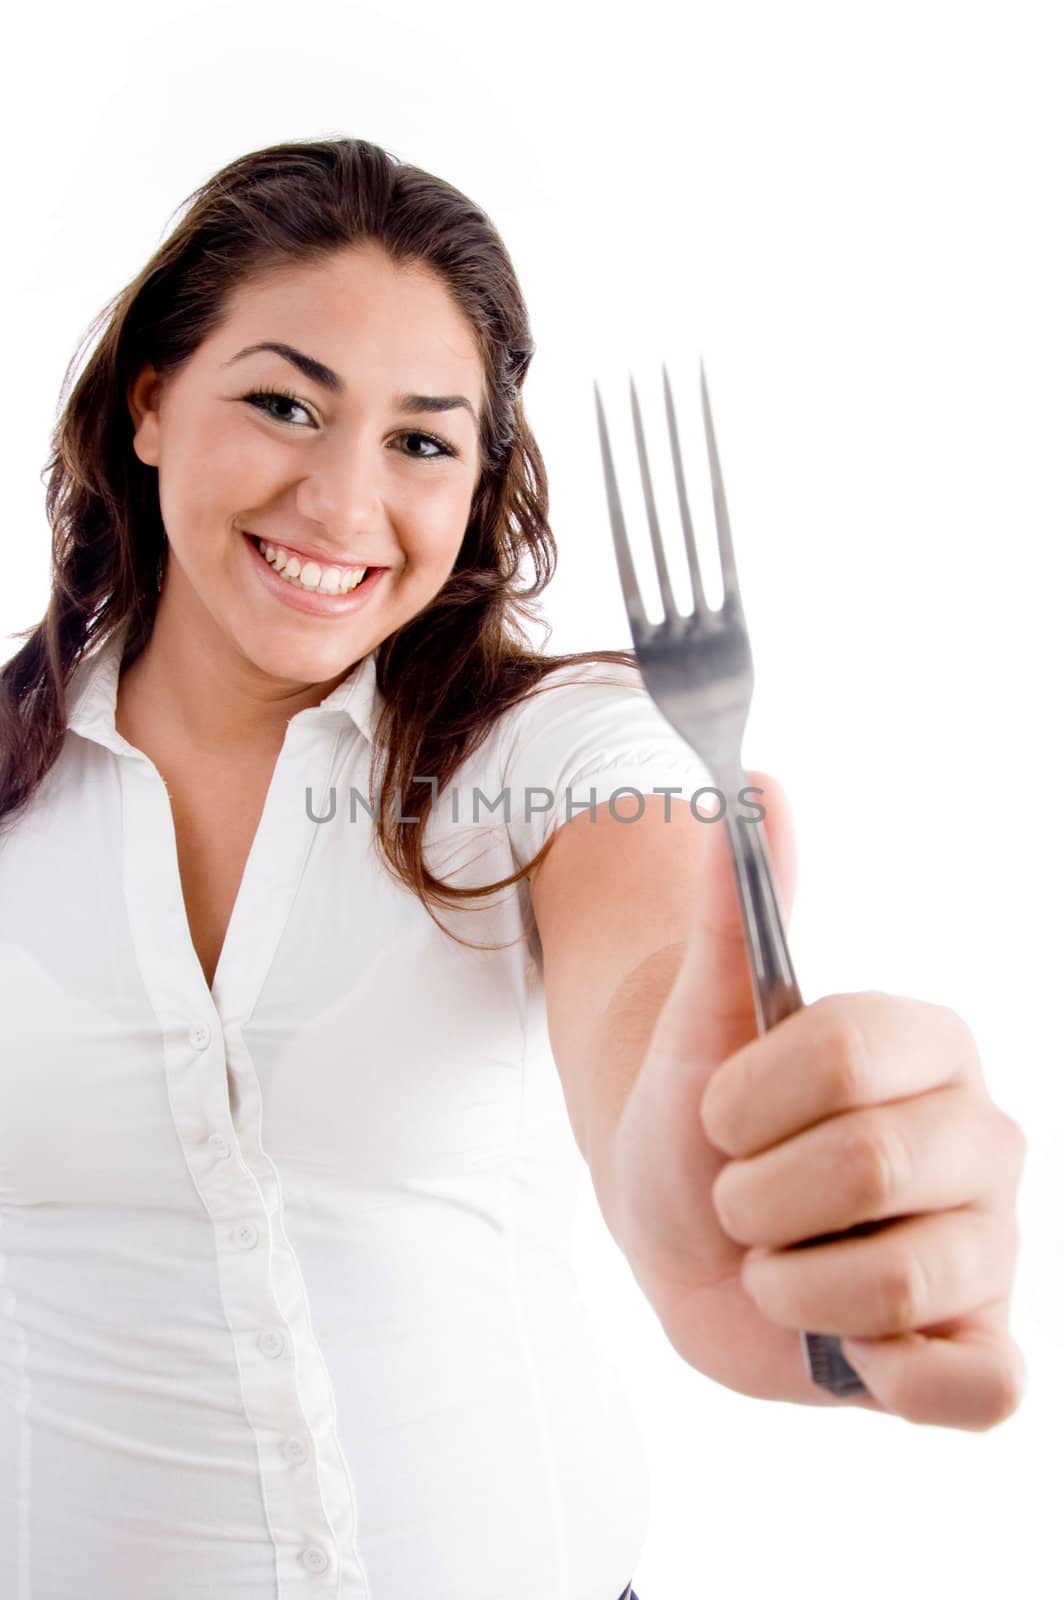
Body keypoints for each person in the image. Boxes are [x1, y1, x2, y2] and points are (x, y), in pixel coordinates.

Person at [0, 136, 1026, 1599]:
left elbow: (652, 979)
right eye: (283, 402)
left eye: (421, 440)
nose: (345, 506)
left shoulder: (551, 753)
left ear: (478, 481)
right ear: (152, 402)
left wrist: (727, 1176)